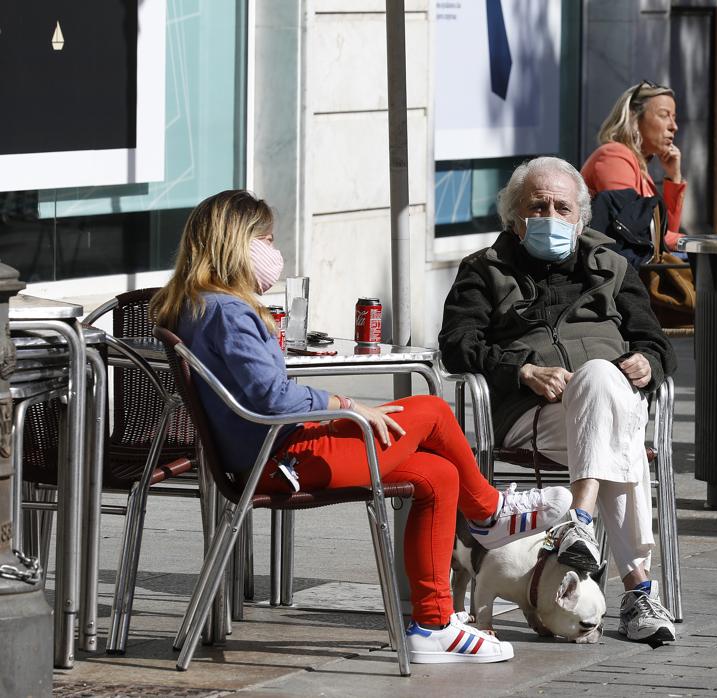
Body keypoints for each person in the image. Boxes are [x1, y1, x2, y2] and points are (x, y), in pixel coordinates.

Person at [150, 190, 572, 664]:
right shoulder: (229, 312)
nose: (273, 251)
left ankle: (435, 625)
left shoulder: (195, 305)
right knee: (431, 411)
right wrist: (343, 403)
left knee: (440, 475)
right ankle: (490, 512)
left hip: (268, 452)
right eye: (265, 240)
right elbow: (272, 396)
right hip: (283, 457)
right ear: (236, 243)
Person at [439, 157, 680, 644]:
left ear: (580, 218)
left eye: (562, 207)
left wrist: (648, 363)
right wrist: (521, 369)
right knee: (621, 434)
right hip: (532, 415)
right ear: (514, 216)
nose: (550, 216)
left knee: (599, 378)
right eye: (538, 205)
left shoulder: (613, 267)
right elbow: (455, 344)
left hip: (606, 402)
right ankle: (638, 590)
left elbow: (657, 342)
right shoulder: (484, 270)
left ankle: (580, 521)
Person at [582, 80, 686, 264]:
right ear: (634, 118)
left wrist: (674, 177)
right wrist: (692, 242)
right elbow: (634, 230)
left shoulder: (638, 166)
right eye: (664, 115)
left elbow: (662, 230)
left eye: (674, 117)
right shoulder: (614, 156)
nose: (673, 126)